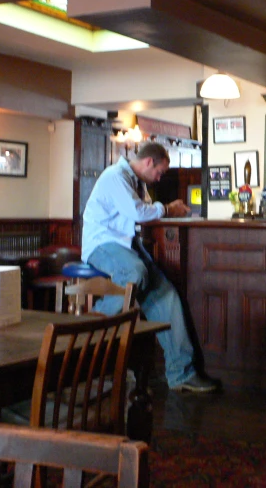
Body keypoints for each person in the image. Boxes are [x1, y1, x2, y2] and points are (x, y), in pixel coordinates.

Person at [82, 141, 217, 393]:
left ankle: (181, 373)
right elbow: (137, 212)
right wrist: (167, 208)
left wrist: (162, 211)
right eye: (159, 171)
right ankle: (87, 327)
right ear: (148, 162)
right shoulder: (115, 176)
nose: (159, 177)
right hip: (101, 245)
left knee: (168, 298)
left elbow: (143, 213)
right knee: (136, 272)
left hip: (127, 247)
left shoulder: (136, 182)